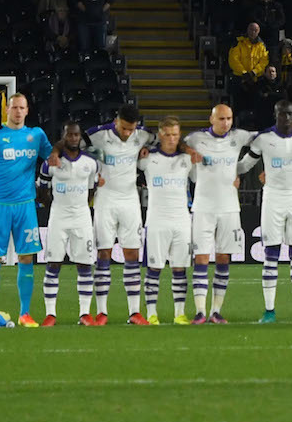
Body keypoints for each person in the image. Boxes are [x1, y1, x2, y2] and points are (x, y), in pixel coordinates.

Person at [0, 92, 51, 327]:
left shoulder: (36, 135)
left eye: (22, 108)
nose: (18, 111)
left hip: (26, 206)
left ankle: (25, 314)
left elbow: (54, 160)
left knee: (26, 257)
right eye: (14, 107)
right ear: (7, 109)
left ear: (27, 111)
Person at [185, 104, 259, 324]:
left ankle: (216, 311)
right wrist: (186, 151)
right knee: (200, 258)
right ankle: (200, 311)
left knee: (223, 258)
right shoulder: (196, 139)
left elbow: (265, 138)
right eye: (221, 119)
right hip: (203, 207)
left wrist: (241, 170)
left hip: (229, 207)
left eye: (229, 118)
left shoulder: (239, 136)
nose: (226, 122)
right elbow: (174, 143)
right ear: (211, 119)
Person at [86, 105, 151, 325]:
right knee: (103, 253)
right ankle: (102, 312)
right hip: (105, 200)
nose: (127, 133)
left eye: (130, 130)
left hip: (130, 201)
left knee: (132, 254)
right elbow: (75, 149)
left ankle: (134, 312)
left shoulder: (142, 135)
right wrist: (93, 174)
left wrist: (146, 152)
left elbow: (160, 142)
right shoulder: (97, 135)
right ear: (117, 121)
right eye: (124, 128)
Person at [251, 100, 292, 322]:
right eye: (281, 114)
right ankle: (269, 311)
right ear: (275, 114)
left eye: (289, 114)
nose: (286, 118)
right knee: (271, 254)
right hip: (273, 198)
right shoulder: (263, 138)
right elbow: (245, 163)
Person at [140, 117, 201, 325]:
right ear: (160, 134)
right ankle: (151, 313)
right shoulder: (147, 158)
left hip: (182, 220)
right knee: (154, 268)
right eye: (167, 134)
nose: (171, 139)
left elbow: (199, 179)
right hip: (156, 220)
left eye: (175, 134)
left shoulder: (187, 159)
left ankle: (179, 313)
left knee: (179, 268)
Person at [39, 121, 100, 327]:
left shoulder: (91, 163)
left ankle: (84, 314)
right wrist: (55, 205)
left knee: (84, 264)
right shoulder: (50, 162)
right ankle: (50, 314)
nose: (73, 138)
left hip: (82, 217)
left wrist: (82, 204)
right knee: (53, 263)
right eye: (69, 135)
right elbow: (42, 190)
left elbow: (92, 187)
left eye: (76, 135)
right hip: (58, 216)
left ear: (80, 137)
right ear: (63, 137)